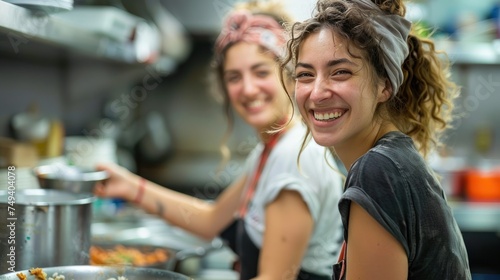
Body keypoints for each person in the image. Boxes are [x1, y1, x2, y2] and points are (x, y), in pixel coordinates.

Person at [94, 1, 345, 279]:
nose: (248, 89)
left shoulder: (294, 158)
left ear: (289, 73)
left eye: (261, 72)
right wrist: (130, 187)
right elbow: (211, 220)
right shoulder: (270, 150)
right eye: (234, 77)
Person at [282, 0, 472, 279]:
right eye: (305, 75)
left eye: (340, 72)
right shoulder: (395, 159)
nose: (317, 92)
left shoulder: (378, 171)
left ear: (384, 85)